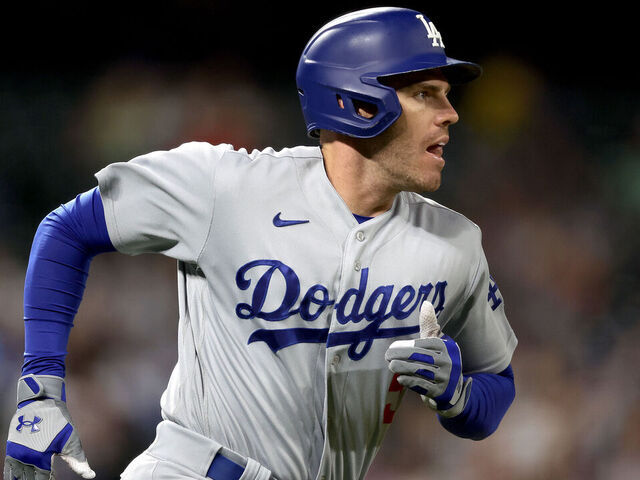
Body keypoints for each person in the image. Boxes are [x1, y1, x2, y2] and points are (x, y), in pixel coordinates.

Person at [4, 6, 517, 480]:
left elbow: (497, 385)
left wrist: (459, 397)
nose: (450, 113)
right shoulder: (227, 185)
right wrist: (40, 387)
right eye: (426, 93)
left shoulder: (455, 243)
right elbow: (67, 228)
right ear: (359, 101)